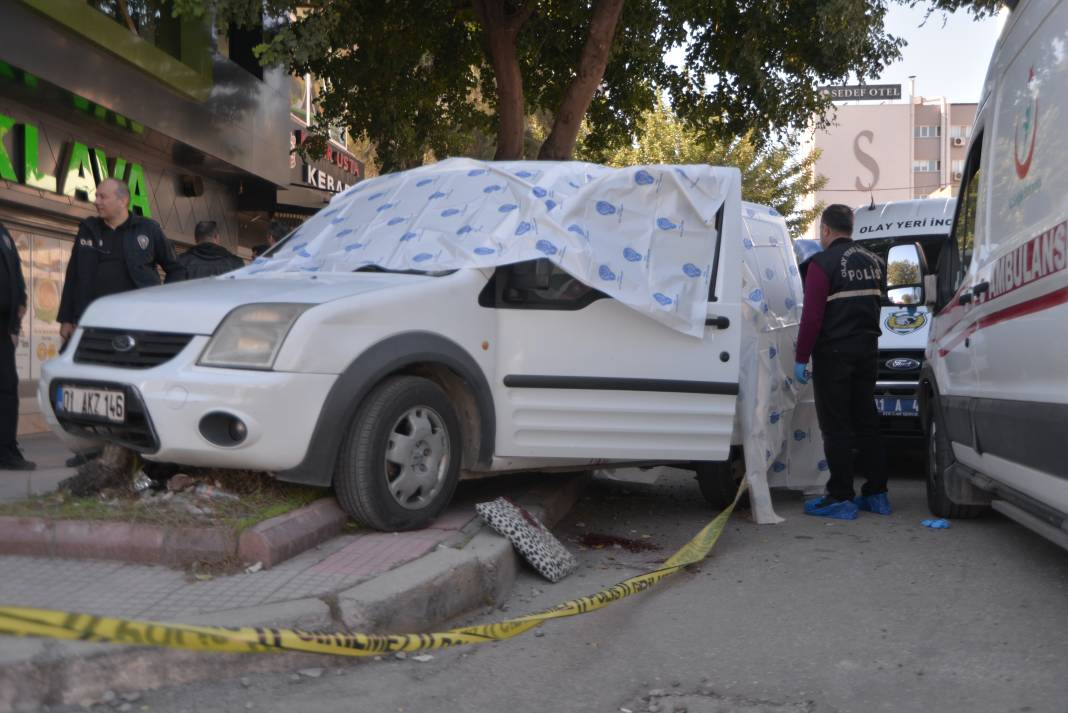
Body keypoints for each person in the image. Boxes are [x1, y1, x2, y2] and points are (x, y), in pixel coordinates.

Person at [58, 177, 185, 467]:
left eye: (102, 196)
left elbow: (176, 269)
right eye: (97, 196)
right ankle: (92, 450)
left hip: (137, 327)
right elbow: (73, 276)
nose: (96, 201)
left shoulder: (148, 230)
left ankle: (141, 450)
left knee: (132, 388)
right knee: (92, 387)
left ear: (122, 200)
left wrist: (165, 302)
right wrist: (67, 317)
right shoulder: (88, 229)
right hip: (93, 325)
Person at [793, 204, 889, 520]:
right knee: (866, 421)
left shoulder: (822, 264)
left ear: (825, 231)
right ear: (851, 227)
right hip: (868, 351)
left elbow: (812, 317)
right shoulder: (875, 262)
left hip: (834, 355)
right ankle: (877, 494)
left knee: (836, 427)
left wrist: (801, 357)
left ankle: (841, 497)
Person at [0, 222, 33, 470]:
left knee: (8, 389)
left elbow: (15, 274)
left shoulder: (3, 232)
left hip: (4, 328)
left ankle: (6, 449)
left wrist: (18, 309)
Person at [178, 221, 245, 279]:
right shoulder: (236, 263)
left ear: (196, 238)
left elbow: (172, 290)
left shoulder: (181, 261)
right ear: (217, 237)